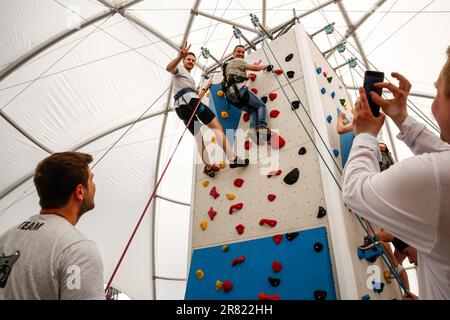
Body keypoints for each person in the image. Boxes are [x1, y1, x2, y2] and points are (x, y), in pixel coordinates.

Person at [342, 46, 450, 299]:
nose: (434, 99)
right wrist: (401, 117)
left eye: (437, 91)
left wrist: (366, 135)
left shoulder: (437, 178)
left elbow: (355, 191)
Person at [0, 152, 104, 300]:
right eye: (91, 180)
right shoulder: (78, 249)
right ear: (80, 191)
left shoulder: (6, 237)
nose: (94, 186)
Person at [166, 42, 248, 177]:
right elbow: (169, 68)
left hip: (181, 108)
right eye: (189, 59)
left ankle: (208, 167)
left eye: (193, 60)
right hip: (190, 101)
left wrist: (203, 91)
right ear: (184, 60)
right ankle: (233, 159)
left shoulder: (187, 78)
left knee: (199, 138)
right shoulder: (179, 69)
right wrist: (180, 57)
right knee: (217, 127)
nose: (191, 62)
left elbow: (192, 96)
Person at [223, 45, 272, 144]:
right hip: (239, 91)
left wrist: (246, 77)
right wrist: (265, 66)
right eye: (239, 51)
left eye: (242, 52)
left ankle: (252, 131)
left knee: (253, 110)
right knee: (261, 105)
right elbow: (255, 67)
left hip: (231, 97)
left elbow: (234, 77)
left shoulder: (228, 65)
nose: (241, 54)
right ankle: (262, 126)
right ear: (233, 53)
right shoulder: (238, 61)